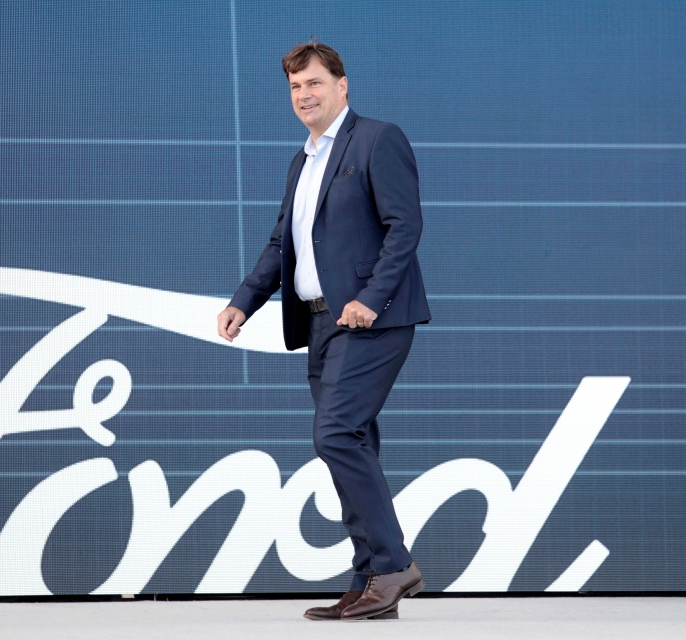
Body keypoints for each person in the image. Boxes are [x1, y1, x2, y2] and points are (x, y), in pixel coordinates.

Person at [216, 40, 432, 621]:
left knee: (335, 434)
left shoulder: (377, 139)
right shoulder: (303, 160)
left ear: (342, 85)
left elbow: (404, 226)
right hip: (318, 323)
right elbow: (280, 244)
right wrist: (246, 301)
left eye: (314, 83)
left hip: (371, 317)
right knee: (354, 440)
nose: (304, 95)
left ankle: (392, 567)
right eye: (294, 87)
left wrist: (370, 298)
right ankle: (369, 584)